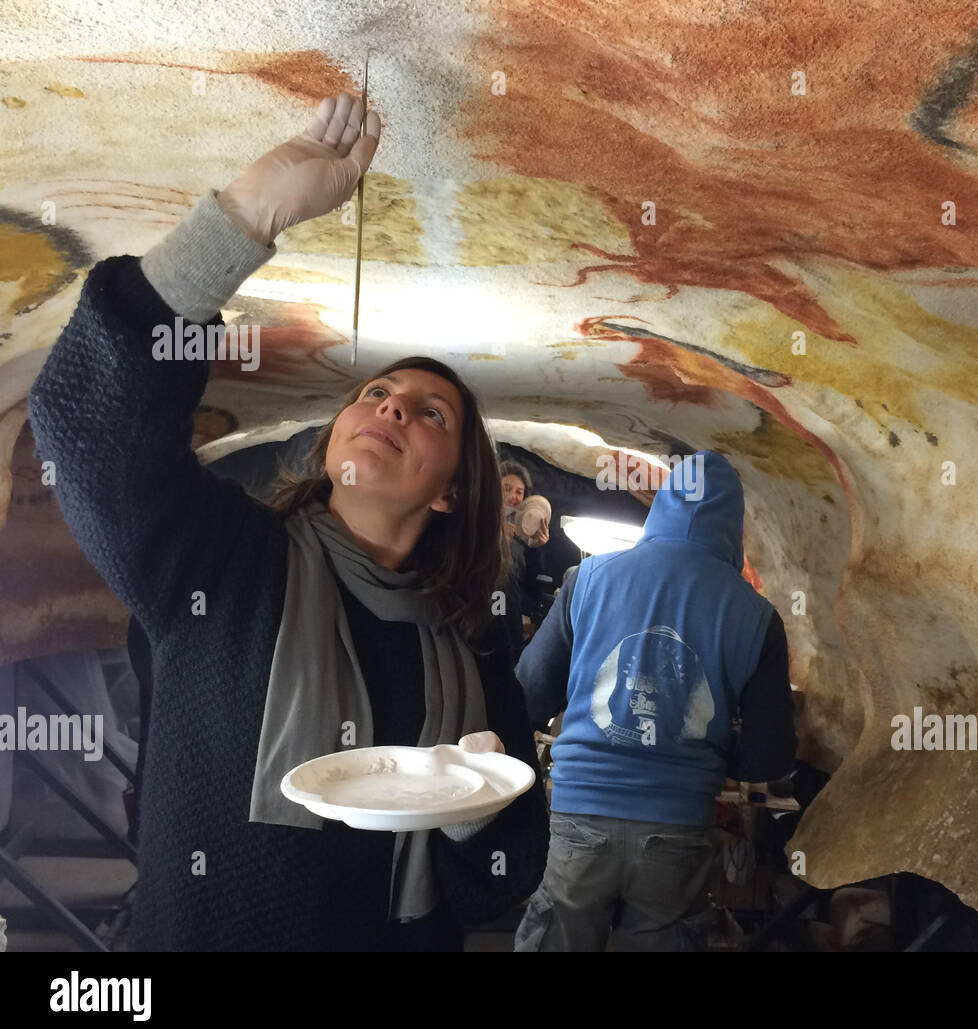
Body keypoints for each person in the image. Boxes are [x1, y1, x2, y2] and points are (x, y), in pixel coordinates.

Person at [27, 93, 548, 951]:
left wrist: (477, 811)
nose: (390, 406)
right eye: (375, 394)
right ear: (337, 433)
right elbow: (84, 427)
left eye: (431, 413)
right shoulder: (226, 563)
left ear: (450, 491)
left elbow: (502, 879)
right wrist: (248, 212)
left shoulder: (473, 639)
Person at [513, 451, 797, 951]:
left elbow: (532, 693)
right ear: (734, 520)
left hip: (581, 814)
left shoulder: (589, 578)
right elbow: (767, 758)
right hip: (679, 826)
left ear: (662, 503)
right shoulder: (757, 615)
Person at [500, 461, 550, 663]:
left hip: (513, 602)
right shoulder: (479, 518)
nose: (514, 497)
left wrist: (535, 548)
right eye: (507, 489)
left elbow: (532, 580)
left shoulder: (524, 528)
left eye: (519, 492)